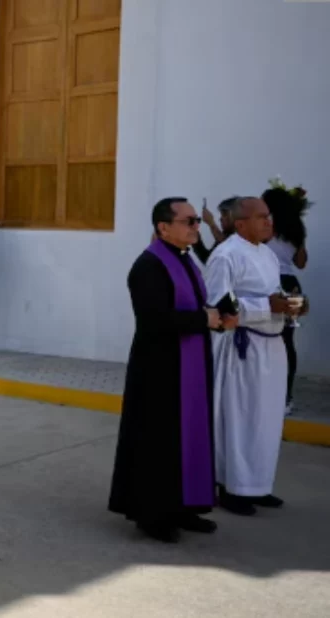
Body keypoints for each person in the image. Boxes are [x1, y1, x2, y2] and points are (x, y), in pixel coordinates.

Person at [109, 198, 236, 543]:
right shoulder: (149, 266)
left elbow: (195, 306)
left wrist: (218, 318)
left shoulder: (186, 259)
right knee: (159, 441)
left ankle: (184, 506)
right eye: (189, 221)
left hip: (190, 362)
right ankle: (153, 515)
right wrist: (202, 319)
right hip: (160, 369)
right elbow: (151, 321)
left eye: (197, 221)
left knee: (189, 435)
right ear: (163, 228)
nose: (197, 226)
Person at [205, 196, 306, 515]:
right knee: (241, 419)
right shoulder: (226, 255)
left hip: (272, 346)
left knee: (266, 419)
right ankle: (233, 487)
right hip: (242, 347)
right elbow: (216, 305)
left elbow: (273, 296)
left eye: (269, 216)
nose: (269, 222)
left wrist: (291, 306)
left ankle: (258, 485)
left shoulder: (268, 255)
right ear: (240, 223)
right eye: (261, 217)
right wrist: (267, 307)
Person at [262, 185, 309, 411]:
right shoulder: (296, 228)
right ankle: (286, 398)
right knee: (288, 341)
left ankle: (268, 392)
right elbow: (301, 263)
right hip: (291, 285)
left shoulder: (266, 226)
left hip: (269, 283)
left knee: (264, 339)